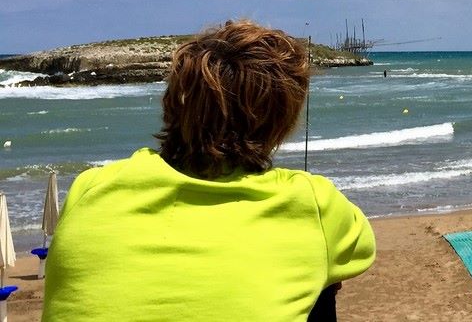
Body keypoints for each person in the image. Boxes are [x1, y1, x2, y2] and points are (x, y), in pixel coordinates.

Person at [43, 20, 376, 321]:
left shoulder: (91, 187)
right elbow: (361, 249)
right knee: (324, 282)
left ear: (173, 101)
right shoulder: (313, 203)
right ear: (280, 122)